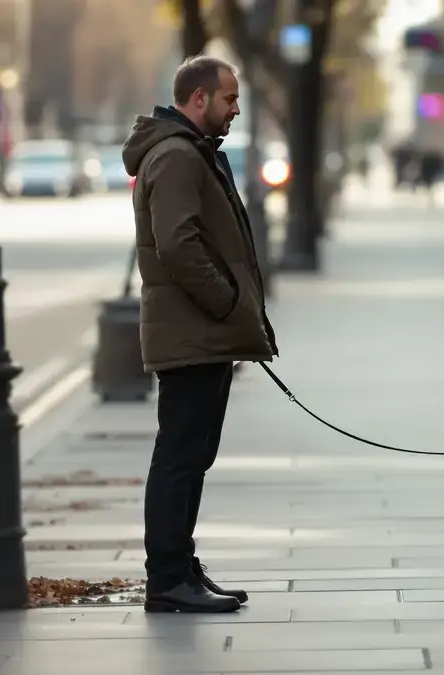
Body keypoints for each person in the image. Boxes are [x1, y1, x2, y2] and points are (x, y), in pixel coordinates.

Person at [121, 55, 278, 613]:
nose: (236, 108)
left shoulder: (192, 153)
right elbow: (178, 244)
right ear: (197, 100)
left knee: (193, 454)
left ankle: (181, 567)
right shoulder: (177, 156)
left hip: (202, 332)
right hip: (193, 331)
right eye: (229, 99)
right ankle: (166, 578)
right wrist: (228, 302)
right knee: (180, 456)